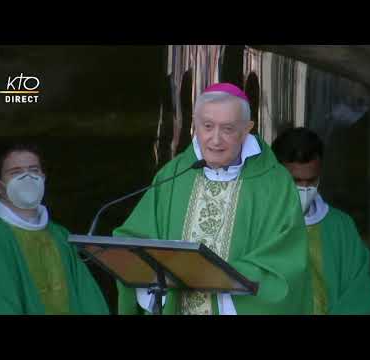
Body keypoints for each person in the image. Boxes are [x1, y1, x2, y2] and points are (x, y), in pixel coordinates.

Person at [113, 83, 313, 315]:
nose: (215, 140)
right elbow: (134, 240)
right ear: (194, 125)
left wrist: (217, 276)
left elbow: (284, 266)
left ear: (247, 128)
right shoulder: (174, 174)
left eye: (227, 129)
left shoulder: (274, 184)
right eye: (207, 126)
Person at [0, 143, 109, 315]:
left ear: (43, 177)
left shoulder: (60, 235)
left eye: (34, 170)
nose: (27, 178)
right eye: (16, 172)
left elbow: (88, 298)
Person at [272, 127, 370, 315]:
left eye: (311, 180)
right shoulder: (257, 223)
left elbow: (362, 293)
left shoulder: (341, 227)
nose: (304, 188)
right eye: (295, 181)